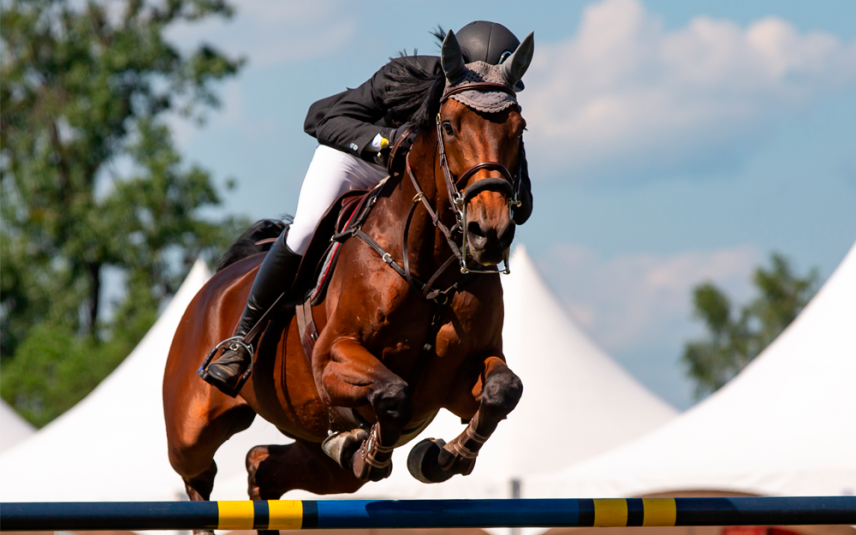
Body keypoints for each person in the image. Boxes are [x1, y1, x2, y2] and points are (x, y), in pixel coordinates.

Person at [201, 21, 534, 396]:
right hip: (357, 157)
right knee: (306, 230)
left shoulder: (492, 115)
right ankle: (242, 340)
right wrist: (387, 141)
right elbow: (320, 119)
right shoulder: (403, 77)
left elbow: (511, 188)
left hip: (422, 175)